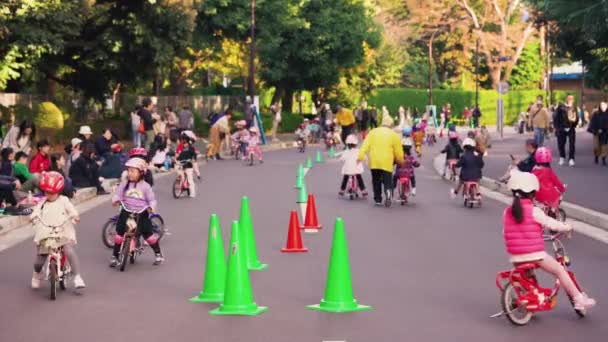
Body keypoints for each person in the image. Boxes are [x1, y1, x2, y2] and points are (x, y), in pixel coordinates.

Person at [502, 171, 595, 310]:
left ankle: (531, 298)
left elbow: (506, 232)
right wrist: (567, 227)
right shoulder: (534, 211)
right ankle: (578, 299)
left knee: (528, 279)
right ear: (533, 193)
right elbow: (551, 223)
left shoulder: (507, 212)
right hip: (535, 255)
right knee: (559, 270)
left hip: (516, 257)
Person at [30, 171, 85, 289]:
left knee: (68, 251)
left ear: (58, 191)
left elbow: (71, 209)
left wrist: (75, 215)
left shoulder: (64, 200)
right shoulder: (42, 203)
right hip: (46, 233)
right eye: (46, 192)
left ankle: (77, 277)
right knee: (40, 259)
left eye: (51, 193)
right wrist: (33, 217)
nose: (48, 195)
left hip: (62, 231)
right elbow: (36, 211)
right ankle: (36, 274)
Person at [110, 158, 164, 266]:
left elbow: (152, 200)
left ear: (141, 173)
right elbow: (118, 194)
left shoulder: (145, 186)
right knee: (119, 234)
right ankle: (115, 257)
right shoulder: (125, 184)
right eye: (128, 170)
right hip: (126, 210)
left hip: (141, 213)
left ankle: (158, 254)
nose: (130, 173)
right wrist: (115, 199)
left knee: (149, 235)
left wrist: (152, 207)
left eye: (133, 171)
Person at [357, 119, 404, 206]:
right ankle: (388, 192)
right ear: (391, 125)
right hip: (387, 161)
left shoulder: (372, 132)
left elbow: (365, 145)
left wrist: (360, 156)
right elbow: (398, 152)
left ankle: (378, 199)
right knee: (387, 180)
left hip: (374, 160)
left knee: (376, 180)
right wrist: (400, 161)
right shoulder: (394, 135)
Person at [531, 147, 566, 213]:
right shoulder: (549, 171)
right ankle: (553, 212)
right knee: (557, 197)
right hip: (549, 197)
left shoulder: (533, 171)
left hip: (536, 197)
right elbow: (557, 182)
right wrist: (562, 189)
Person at [554, 95, 579, 166]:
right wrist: (557, 127)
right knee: (561, 144)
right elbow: (556, 117)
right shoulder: (561, 107)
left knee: (572, 144)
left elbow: (577, 118)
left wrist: (574, 124)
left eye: (572, 99)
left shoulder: (574, 108)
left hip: (571, 128)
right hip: (562, 128)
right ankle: (562, 157)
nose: (571, 100)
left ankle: (571, 159)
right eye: (569, 99)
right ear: (567, 99)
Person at [587, 100, 608, 165]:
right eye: (602, 105)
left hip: (605, 132)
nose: (603, 107)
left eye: (605, 105)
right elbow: (592, 123)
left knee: (604, 146)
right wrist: (595, 130)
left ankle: (603, 159)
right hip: (597, 132)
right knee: (596, 146)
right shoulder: (596, 114)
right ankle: (596, 156)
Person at [176, 133, 197, 198]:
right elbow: (179, 157)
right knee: (181, 177)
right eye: (183, 143)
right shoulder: (183, 150)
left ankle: (192, 192)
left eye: (185, 143)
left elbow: (194, 155)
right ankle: (180, 190)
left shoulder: (191, 148)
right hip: (183, 165)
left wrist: (193, 159)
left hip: (189, 165)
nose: (184, 144)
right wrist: (177, 160)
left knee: (190, 178)